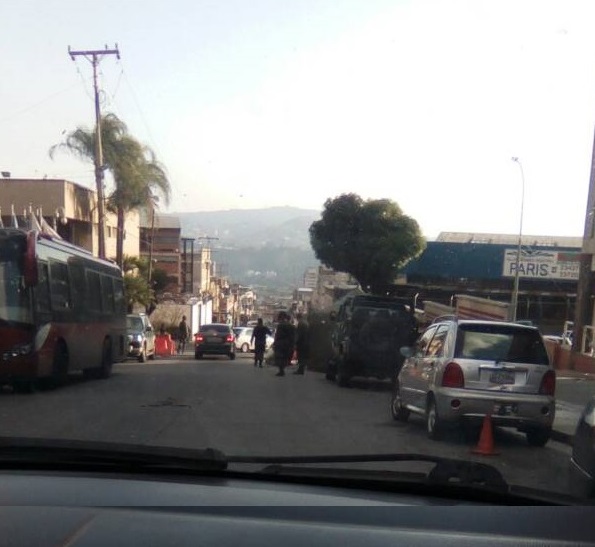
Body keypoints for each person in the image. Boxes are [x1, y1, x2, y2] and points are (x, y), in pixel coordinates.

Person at [272, 311, 295, 377]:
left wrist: (275, 343)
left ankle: (281, 371)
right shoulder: (291, 326)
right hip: (288, 344)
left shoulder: (280, 325)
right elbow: (293, 336)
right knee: (285, 357)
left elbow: (278, 335)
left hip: (281, 343)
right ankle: (282, 369)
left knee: (280, 357)